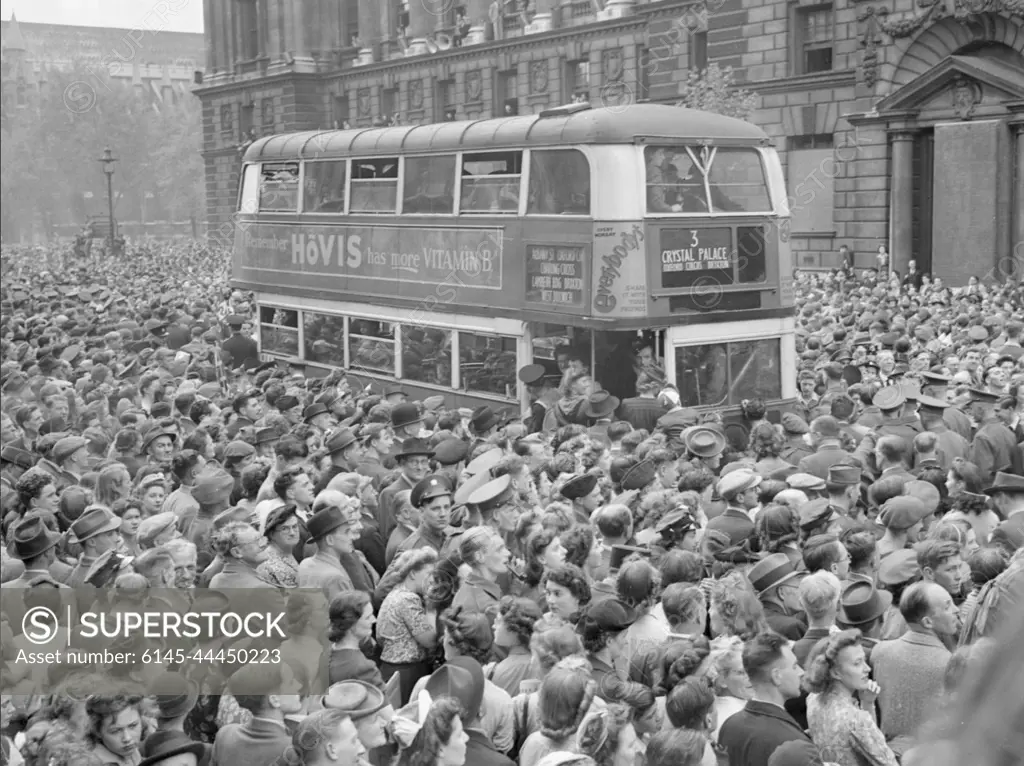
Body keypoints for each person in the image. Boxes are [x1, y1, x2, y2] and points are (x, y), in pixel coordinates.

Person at [804, 629, 897, 766]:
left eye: (864, 661)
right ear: (836, 672)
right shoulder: (856, 720)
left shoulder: (813, 699)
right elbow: (888, 762)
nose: (867, 669)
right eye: (857, 663)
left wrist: (867, 703)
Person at [718, 631, 810, 766]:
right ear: (776, 676)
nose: (801, 672)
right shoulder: (790, 742)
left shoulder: (729, 725)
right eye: (794, 666)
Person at [328, 590, 384, 688]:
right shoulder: (363, 668)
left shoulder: (325, 655)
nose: (374, 620)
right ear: (352, 625)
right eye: (368, 617)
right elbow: (385, 702)